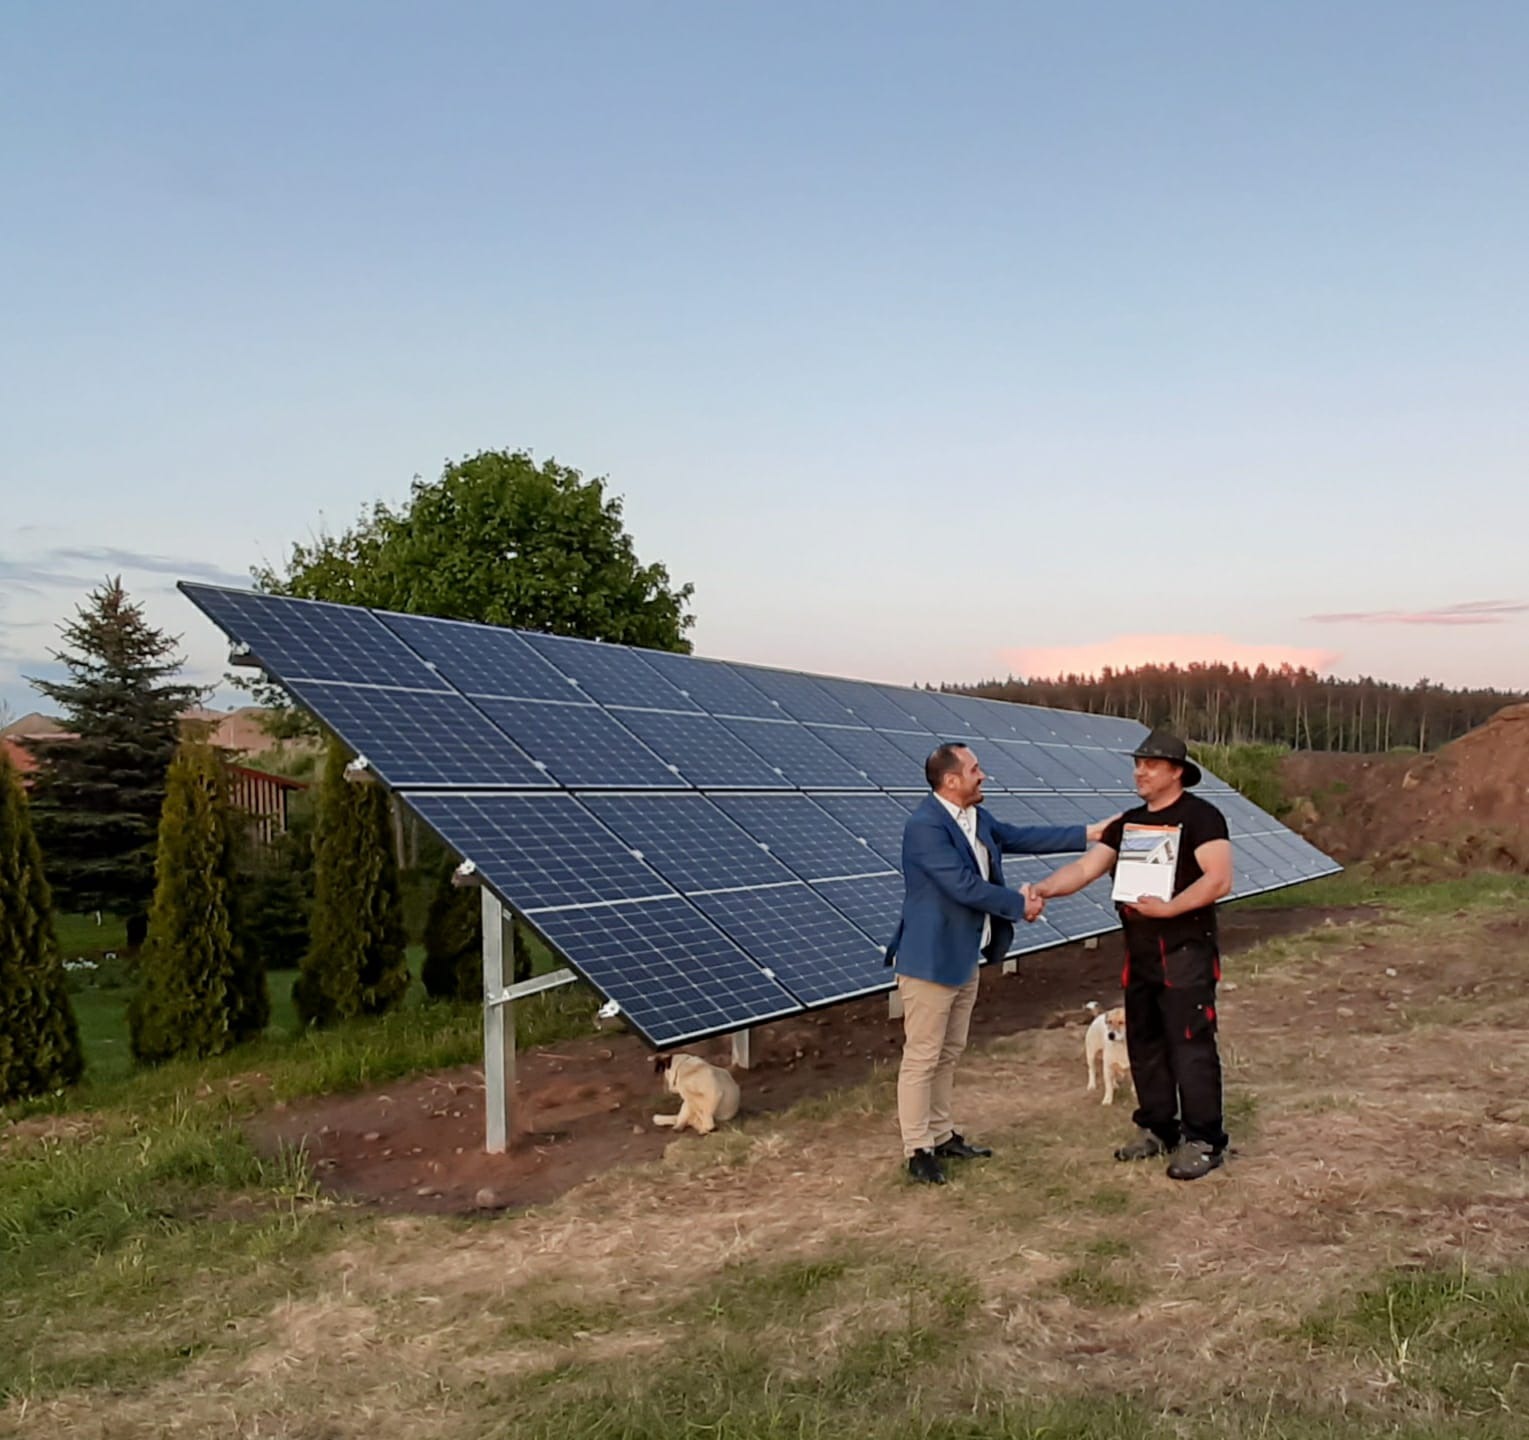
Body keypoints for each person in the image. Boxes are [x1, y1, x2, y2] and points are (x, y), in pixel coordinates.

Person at [885, 742, 1115, 1185]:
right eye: (975, 769)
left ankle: (941, 1132)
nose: (983, 775)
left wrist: (1091, 833)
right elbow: (962, 886)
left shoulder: (976, 818)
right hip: (930, 960)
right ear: (951, 780)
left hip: (964, 956)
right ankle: (917, 1148)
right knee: (923, 1056)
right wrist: (1019, 904)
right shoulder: (925, 827)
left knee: (948, 1052)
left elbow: (1019, 836)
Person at [1029, 729, 1234, 1181]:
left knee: (1190, 1045)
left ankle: (1205, 1139)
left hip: (1185, 950)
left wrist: (1170, 908)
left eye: (1152, 765)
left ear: (1176, 772)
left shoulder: (1202, 818)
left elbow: (1219, 879)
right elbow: (1087, 867)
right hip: (1139, 953)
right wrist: (1045, 888)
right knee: (1144, 1044)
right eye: (1138, 763)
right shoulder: (1129, 823)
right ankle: (1159, 1128)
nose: (1140, 771)